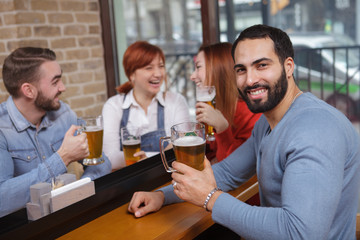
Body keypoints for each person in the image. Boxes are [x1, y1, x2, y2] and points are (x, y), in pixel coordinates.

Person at [128, 25, 360, 239]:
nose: (250, 80)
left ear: (288, 67)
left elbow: (299, 232)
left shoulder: (315, 129)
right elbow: (228, 172)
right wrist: (162, 195)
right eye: (241, 69)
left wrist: (210, 198)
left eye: (262, 65)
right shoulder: (267, 123)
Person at [0, 47, 111, 217]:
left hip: (67, 218)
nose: (63, 87)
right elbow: (2, 200)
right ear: (28, 90)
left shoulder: (64, 114)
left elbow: (101, 163)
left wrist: (78, 192)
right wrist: (63, 157)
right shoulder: (2, 129)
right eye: (55, 81)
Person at [102, 41, 190, 170]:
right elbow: (110, 158)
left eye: (161, 66)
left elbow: (183, 149)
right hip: (129, 180)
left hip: (168, 178)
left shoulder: (176, 101)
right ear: (132, 74)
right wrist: (164, 153)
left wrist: (145, 159)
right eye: (149, 68)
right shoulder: (114, 106)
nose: (158, 74)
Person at [191, 42, 261, 163]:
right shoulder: (215, 106)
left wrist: (222, 128)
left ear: (219, 69)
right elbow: (209, 152)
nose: (192, 76)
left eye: (198, 67)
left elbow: (239, 167)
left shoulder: (252, 113)